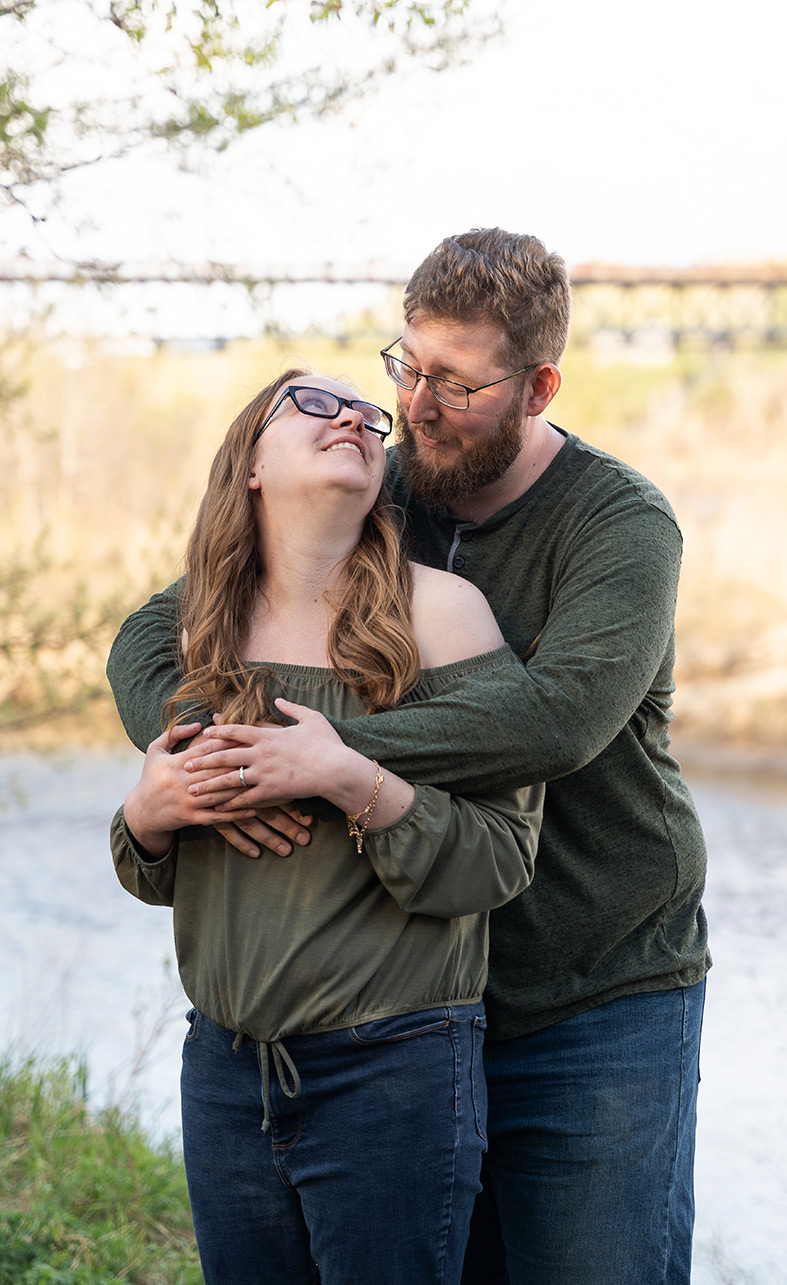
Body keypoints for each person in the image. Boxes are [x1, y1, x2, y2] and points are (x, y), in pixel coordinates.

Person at [108, 228, 711, 1285]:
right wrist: (214, 757)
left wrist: (320, 755)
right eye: (407, 368)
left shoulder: (619, 524)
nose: (416, 407)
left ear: (537, 387)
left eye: (457, 385)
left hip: (591, 989)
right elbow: (154, 636)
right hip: (408, 1007)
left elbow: (554, 722)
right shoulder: (371, 483)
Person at [108, 367, 543, 1285]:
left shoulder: (443, 613)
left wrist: (349, 779)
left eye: (367, 413)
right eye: (311, 401)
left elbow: (503, 858)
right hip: (226, 1074)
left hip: (397, 1076)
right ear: (251, 464)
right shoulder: (195, 634)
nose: (352, 414)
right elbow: (164, 869)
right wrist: (146, 818)